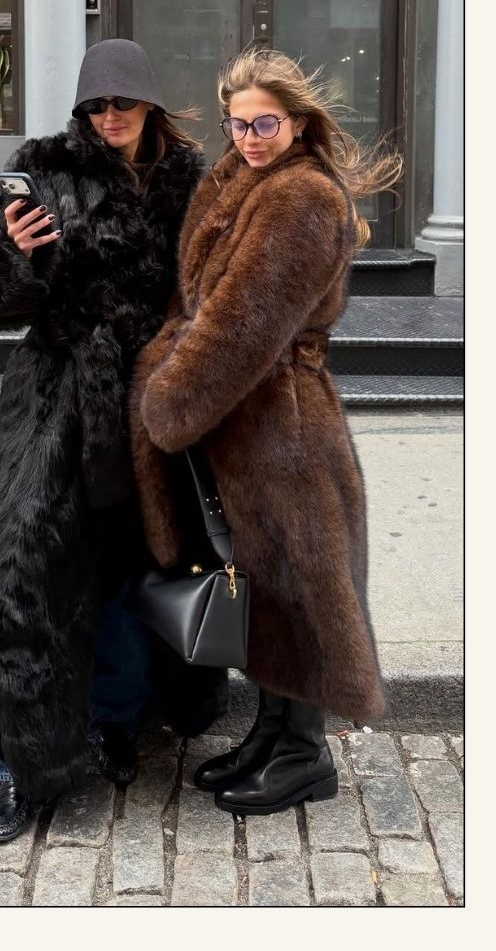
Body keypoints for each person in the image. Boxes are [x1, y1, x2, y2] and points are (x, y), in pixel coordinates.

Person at [0, 39, 225, 843]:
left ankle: (116, 723)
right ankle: (18, 763)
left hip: (151, 410)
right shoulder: (40, 170)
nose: (109, 120)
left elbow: (217, 291)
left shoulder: (191, 180)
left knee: (136, 578)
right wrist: (11, 254)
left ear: (150, 107)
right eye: (96, 106)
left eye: (122, 105)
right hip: (57, 405)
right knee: (16, 582)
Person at [131, 48, 396, 816]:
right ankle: (271, 736)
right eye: (238, 124)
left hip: (285, 429)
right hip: (245, 429)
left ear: (298, 120)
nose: (248, 136)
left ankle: (304, 756)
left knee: (302, 586)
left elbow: (243, 326)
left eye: (264, 122)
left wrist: (171, 401)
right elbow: (202, 304)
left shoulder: (302, 197)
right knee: (265, 587)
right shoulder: (244, 180)